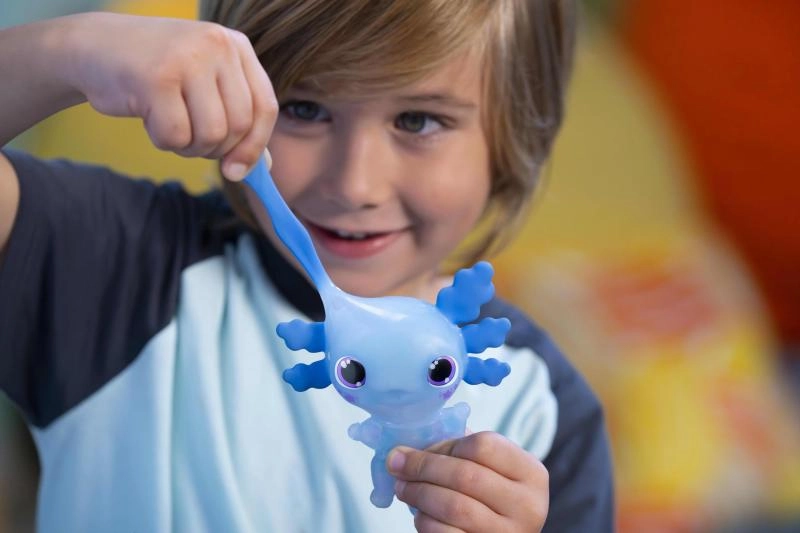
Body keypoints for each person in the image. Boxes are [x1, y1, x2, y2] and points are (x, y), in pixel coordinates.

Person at [0, 1, 613, 531]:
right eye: (303, 109)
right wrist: (68, 50)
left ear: (510, 139)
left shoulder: (545, 410)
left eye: (418, 120)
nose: (354, 185)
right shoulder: (117, 266)